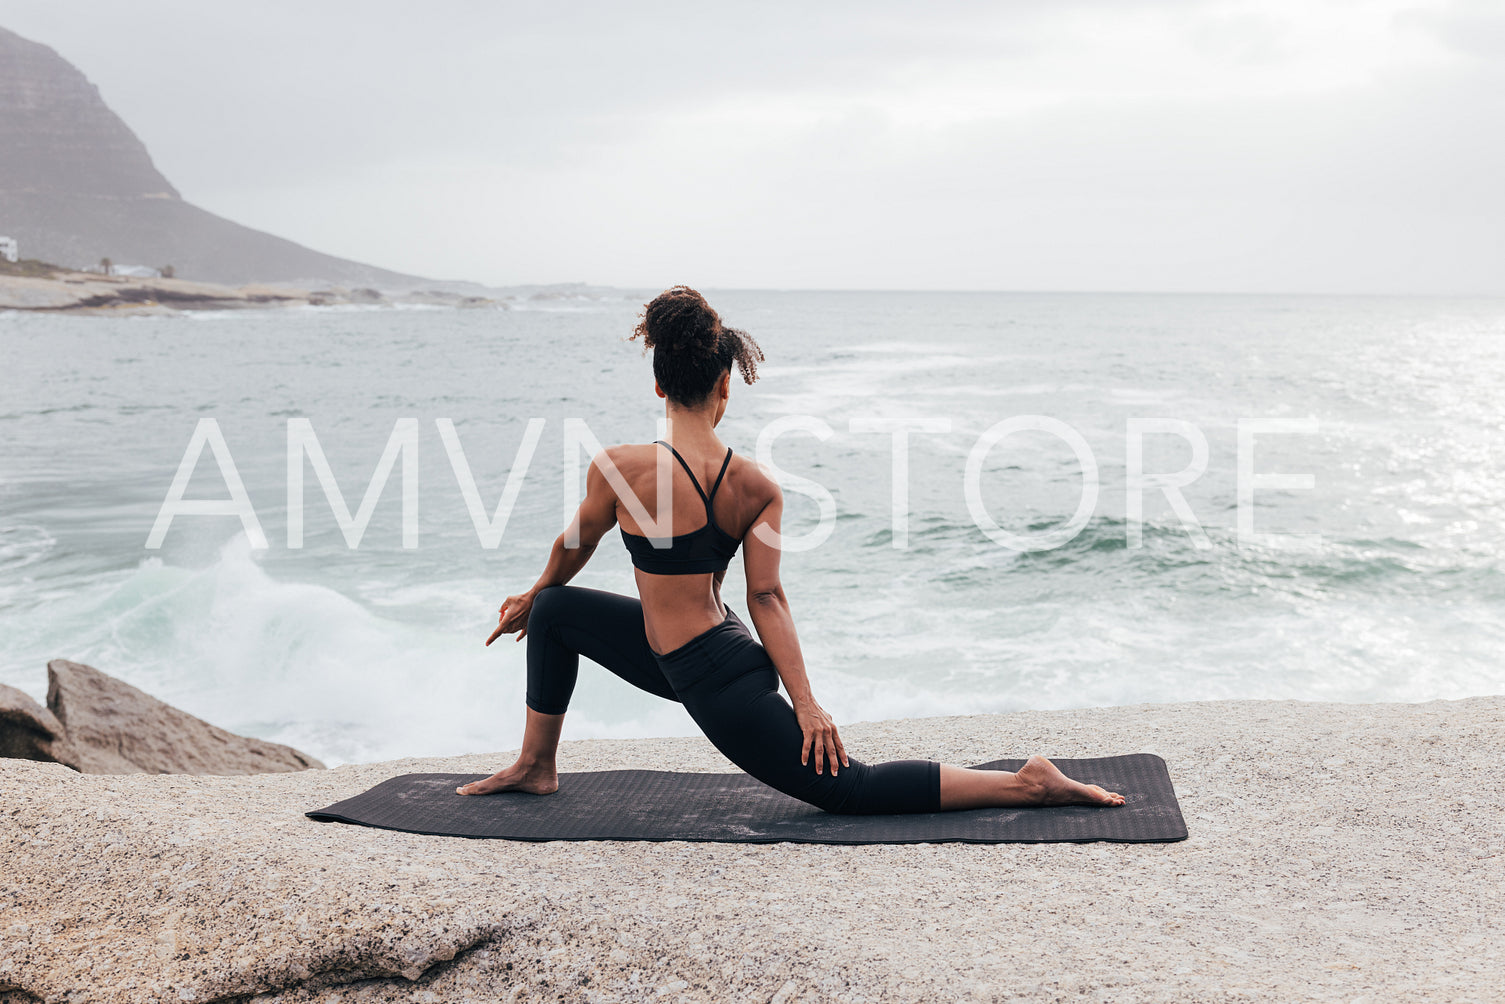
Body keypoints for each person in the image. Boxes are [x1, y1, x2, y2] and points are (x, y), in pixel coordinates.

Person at [459, 286, 1124, 813]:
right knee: (553, 612)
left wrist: (807, 709)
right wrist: (537, 593)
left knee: (847, 791)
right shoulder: (756, 487)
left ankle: (1024, 783)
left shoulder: (617, 469)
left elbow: (572, 545)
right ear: (725, 385)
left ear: (658, 386)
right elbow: (765, 597)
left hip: (713, 678)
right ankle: (536, 766)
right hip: (709, 654)